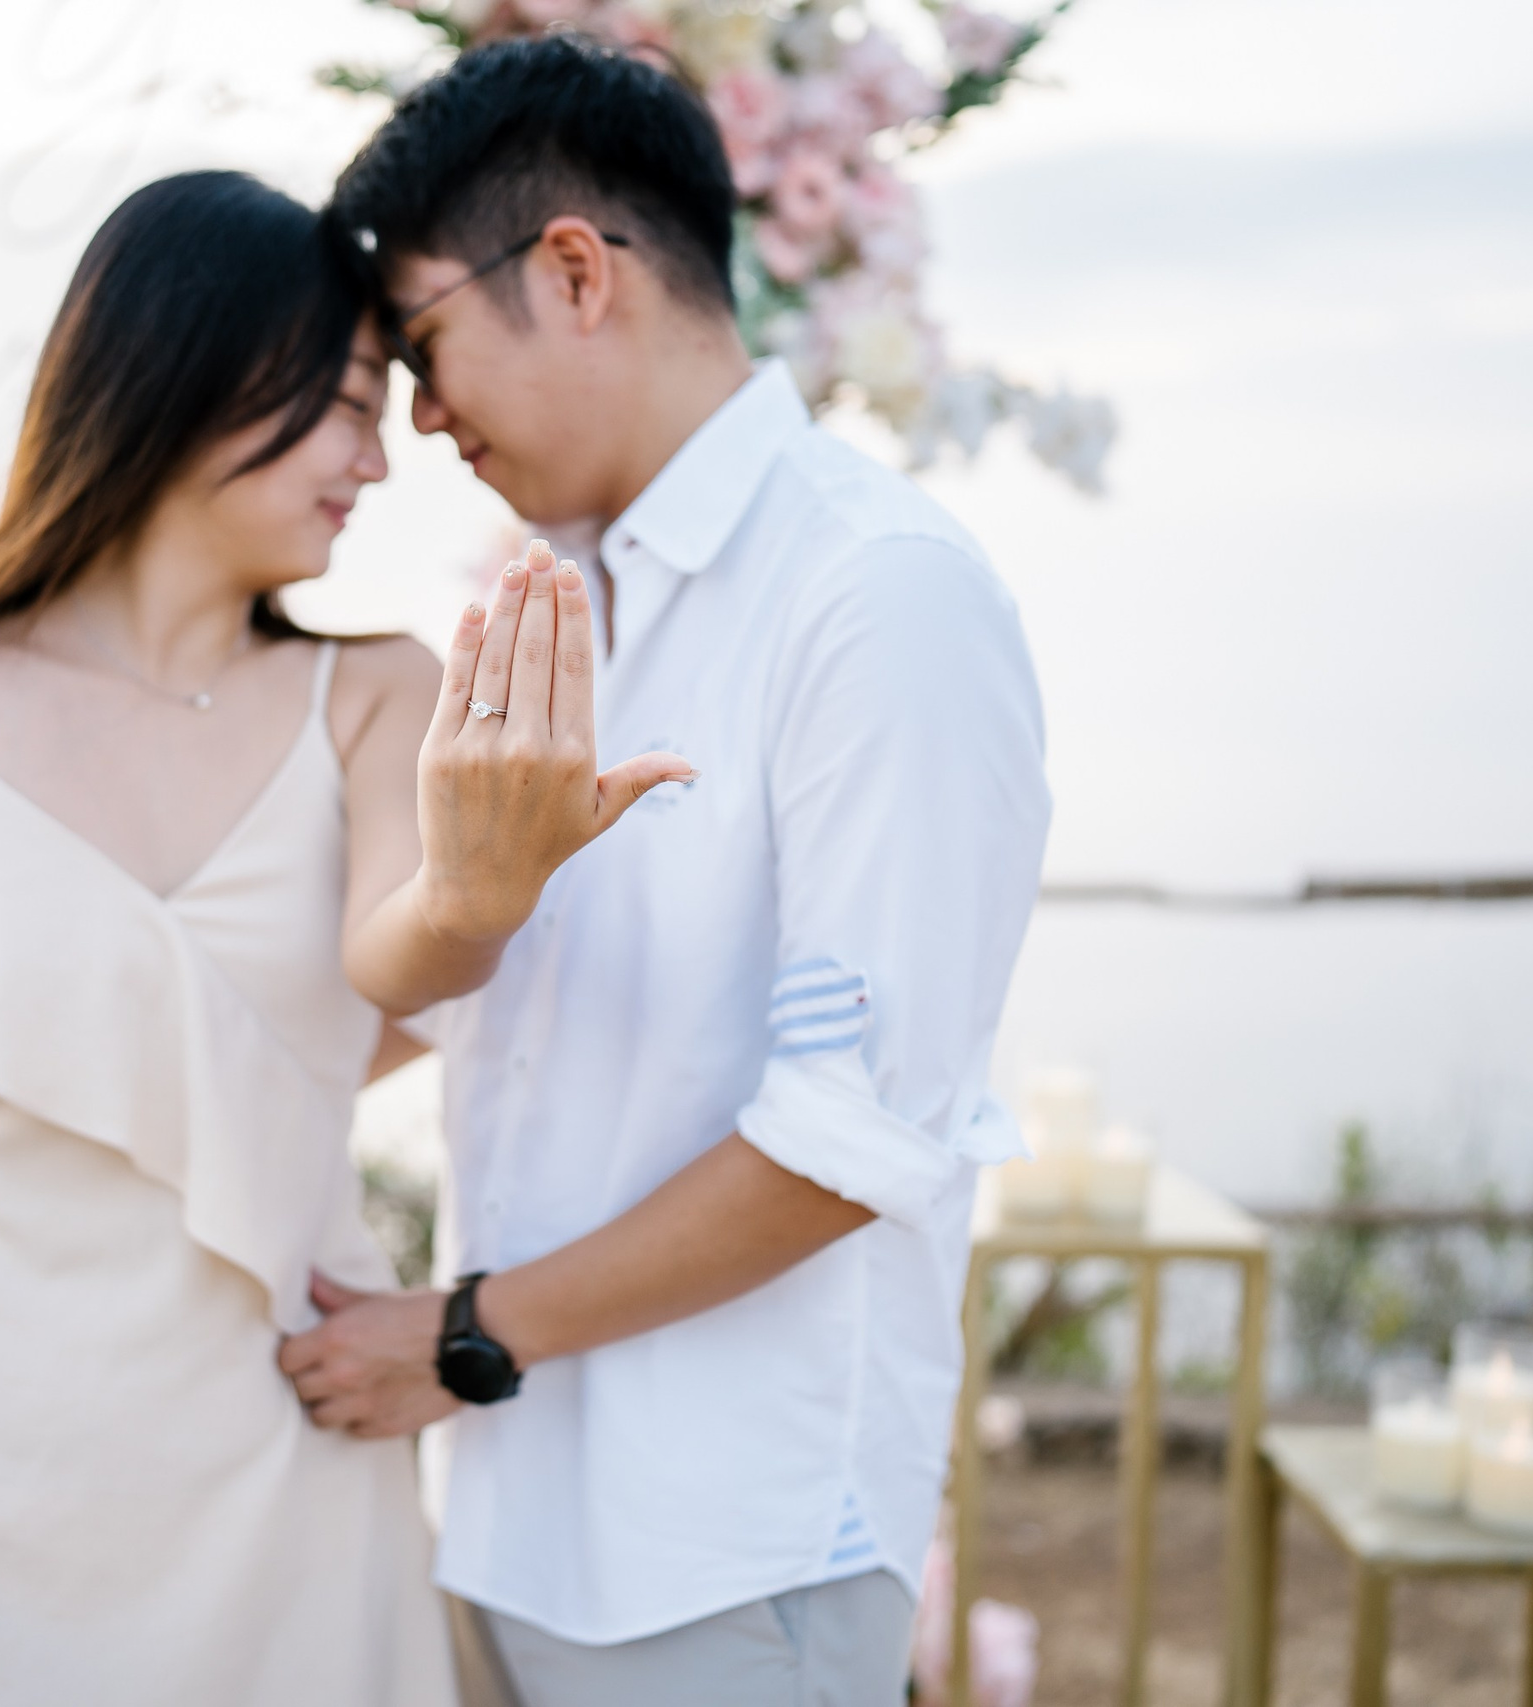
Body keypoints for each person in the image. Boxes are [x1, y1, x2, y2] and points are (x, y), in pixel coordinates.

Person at [0, 169, 682, 1707]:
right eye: (351, 405)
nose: (376, 461)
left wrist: (482, 893)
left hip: (280, 1473)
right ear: (194, 373)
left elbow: (398, 955)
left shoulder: (375, 697)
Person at [280, 36, 1053, 1707]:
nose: (418, 423)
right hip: (512, 1518)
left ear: (570, 270)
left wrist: (463, 1334)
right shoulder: (562, 598)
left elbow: (857, 1136)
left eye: (424, 348)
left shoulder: (877, 595)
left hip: (729, 1549)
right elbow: (508, 1003)